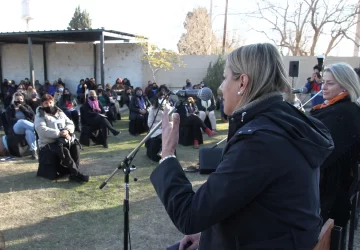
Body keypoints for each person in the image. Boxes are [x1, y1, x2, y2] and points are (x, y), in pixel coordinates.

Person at [150, 43, 334, 250]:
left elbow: (190, 215)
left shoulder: (260, 141)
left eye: (225, 77)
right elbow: (259, 203)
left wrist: (167, 156)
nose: (220, 87)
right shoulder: (285, 123)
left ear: (242, 83)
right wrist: (210, 237)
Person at [310, 63, 360, 242]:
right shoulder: (332, 109)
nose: (323, 87)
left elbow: (323, 154)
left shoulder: (345, 112)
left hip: (330, 192)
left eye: (330, 83)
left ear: (345, 85)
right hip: (326, 189)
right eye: (323, 82)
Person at [34, 94, 89, 183]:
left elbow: (70, 123)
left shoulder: (59, 112)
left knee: (75, 145)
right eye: (46, 103)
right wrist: (60, 134)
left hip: (63, 139)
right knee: (63, 150)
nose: (49, 105)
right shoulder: (40, 115)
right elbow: (41, 130)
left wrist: (67, 131)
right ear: (42, 105)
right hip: (48, 143)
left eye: (50, 102)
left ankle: (74, 172)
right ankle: (76, 174)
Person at [5, 92, 38, 159]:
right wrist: (20, 120)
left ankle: (34, 152)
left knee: (29, 132)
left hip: (27, 127)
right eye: (17, 99)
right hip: (16, 128)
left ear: (23, 100)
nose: (19, 101)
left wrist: (22, 108)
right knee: (21, 121)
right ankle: (39, 130)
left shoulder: (27, 107)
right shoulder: (10, 108)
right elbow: (10, 120)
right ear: (13, 100)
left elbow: (32, 117)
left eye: (20, 99)